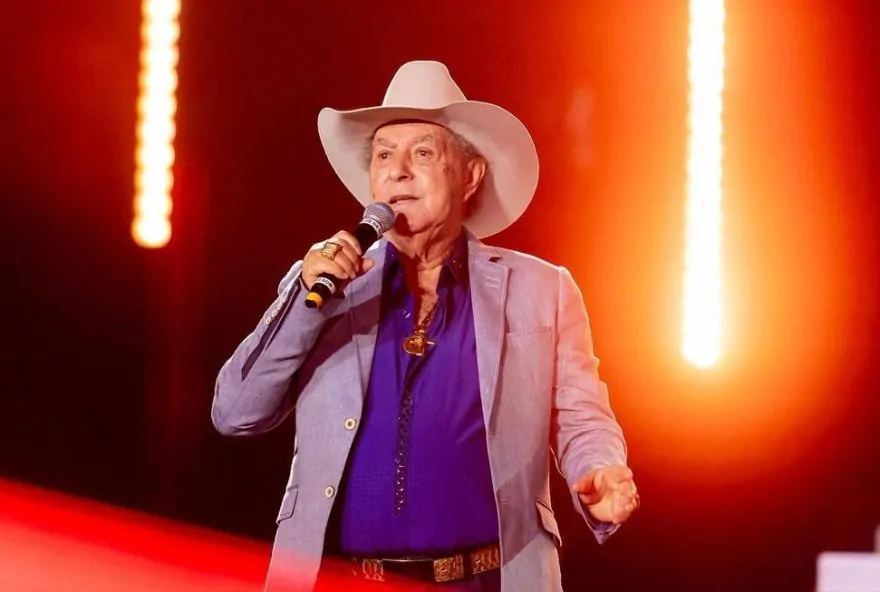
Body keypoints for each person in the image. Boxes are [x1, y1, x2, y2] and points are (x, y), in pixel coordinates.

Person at [212, 60, 638, 592]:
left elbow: (581, 417)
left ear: (469, 175)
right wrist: (305, 298)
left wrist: (598, 470)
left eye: (422, 153)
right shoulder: (324, 285)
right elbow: (234, 412)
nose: (398, 171)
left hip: (485, 580)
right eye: (383, 155)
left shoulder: (541, 290)